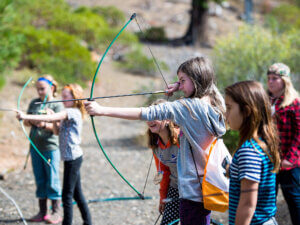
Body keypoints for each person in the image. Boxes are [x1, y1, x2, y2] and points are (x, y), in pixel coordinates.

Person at [84, 56, 226, 225]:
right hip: (205, 188)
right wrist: (181, 86)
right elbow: (209, 88)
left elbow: (145, 113)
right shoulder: (213, 104)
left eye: (182, 80)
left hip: (192, 192)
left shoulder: (188, 107)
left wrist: (101, 110)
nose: (179, 85)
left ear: (196, 80)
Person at [17, 84, 92, 225]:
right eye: (62, 96)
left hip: (73, 158)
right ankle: (88, 222)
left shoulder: (72, 112)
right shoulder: (67, 112)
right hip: (71, 158)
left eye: (65, 97)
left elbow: (57, 117)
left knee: (67, 196)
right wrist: (56, 121)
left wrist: (25, 115)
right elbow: (57, 131)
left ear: (74, 98)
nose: (62, 100)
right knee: (77, 193)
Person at [225, 80, 281, 225]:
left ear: (247, 111)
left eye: (229, 107)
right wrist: (234, 170)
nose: (226, 113)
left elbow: (247, 204)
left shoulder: (248, 152)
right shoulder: (261, 144)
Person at [23, 75, 63, 223]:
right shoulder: (35, 103)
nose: (39, 92)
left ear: (51, 88)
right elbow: (26, 121)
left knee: (52, 179)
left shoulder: (58, 104)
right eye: (37, 89)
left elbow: (58, 128)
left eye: (42, 89)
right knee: (40, 179)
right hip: (35, 147)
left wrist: (43, 124)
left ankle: (56, 212)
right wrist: (28, 119)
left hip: (50, 147)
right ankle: (42, 211)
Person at [266, 63, 300, 225]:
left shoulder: (294, 102)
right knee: (267, 198)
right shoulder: (265, 100)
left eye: (275, 78)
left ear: (284, 80)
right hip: (268, 159)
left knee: (294, 199)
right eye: (269, 78)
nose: (270, 82)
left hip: (289, 162)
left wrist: (291, 158)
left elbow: (299, 134)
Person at [147, 99, 180, 225]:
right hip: (175, 187)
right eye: (147, 116)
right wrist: (163, 198)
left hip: (193, 189)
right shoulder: (156, 146)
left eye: (155, 116)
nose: (150, 120)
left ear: (167, 119)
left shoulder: (181, 138)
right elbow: (164, 173)